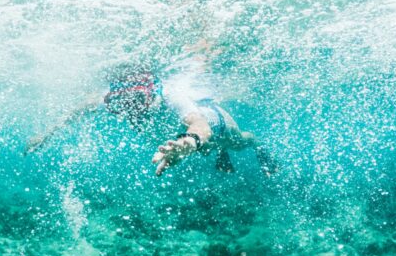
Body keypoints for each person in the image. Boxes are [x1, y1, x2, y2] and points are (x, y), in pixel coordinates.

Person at [25, 61, 277, 177]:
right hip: (192, 138)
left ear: (152, 95)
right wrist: (45, 135)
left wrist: (189, 142)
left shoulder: (170, 95)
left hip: (215, 122)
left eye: (137, 102)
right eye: (122, 104)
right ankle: (218, 152)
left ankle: (259, 147)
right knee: (212, 148)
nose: (131, 111)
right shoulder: (117, 100)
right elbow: (78, 112)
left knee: (240, 141)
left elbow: (199, 124)